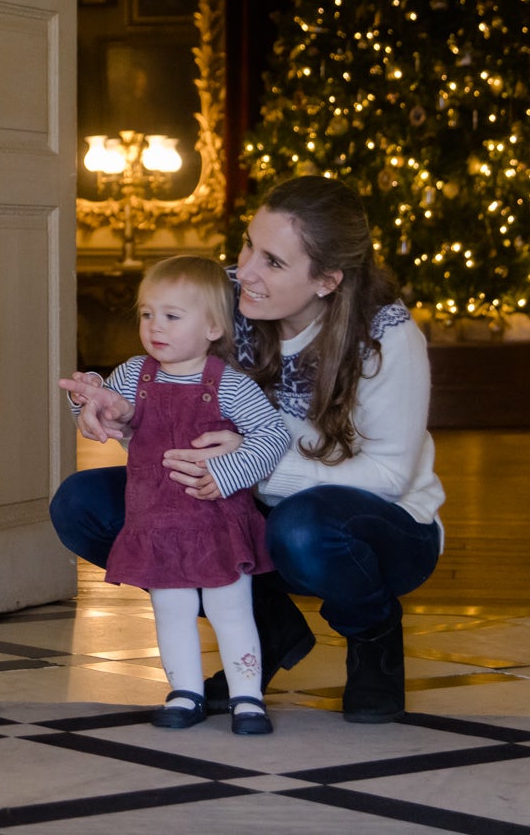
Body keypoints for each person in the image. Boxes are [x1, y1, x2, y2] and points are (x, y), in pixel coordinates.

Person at [60, 176, 444, 723]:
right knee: (84, 504)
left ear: (328, 280)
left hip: (378, 527)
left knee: (304, 528)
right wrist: (111, 410)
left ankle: (374, 637)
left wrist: (249, 463)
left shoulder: (385, 339)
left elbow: (387, 476)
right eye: (247, 245)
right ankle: (265, 627)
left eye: (274, 262)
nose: (247, 272)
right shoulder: (225, 303)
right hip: (244, 512)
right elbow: (166, 401)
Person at [59, 256, 291, 734]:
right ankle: (185, 689)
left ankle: (248, 696)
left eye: (171, 316)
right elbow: (108, 404)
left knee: (230, 608)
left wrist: (229, 473)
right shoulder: (135, 374)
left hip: (216, 521)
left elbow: (271, 435)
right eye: (147, 314)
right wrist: (90, 396)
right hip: (157, 522)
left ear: (212, 327)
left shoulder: (226, 382)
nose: (154, 327)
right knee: (171, 610)